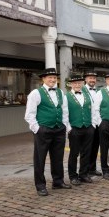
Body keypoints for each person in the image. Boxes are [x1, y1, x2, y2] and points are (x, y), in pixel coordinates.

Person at [24, 68, 71, 196]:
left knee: (58, 157)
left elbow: (65, 111)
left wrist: (65, 127)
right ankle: (40, 186)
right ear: (43, 79)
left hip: (59, 129)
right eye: (49, 77)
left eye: (54, 77)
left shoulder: (61, 92)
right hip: (43, 130)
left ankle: (58, 181)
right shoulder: (36, 93)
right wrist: (38, 129)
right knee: (40, 159)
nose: (52, 80)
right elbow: (29, 115)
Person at [66, 74, 95, 185]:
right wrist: (69, 129)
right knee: (74, 153)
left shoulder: (87, 96)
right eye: (75, 83)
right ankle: (73, 176)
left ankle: (84, 174)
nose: (77, 85)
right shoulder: (67, 96)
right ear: (71, 85)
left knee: (86, 153)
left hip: (88, 127)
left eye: (79, 83)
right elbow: (65, 114)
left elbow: (93, 111)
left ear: (83, 84)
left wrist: (92, 125)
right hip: (74, 128)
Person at [83, 71, 102, 177]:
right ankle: (84, 170)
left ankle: (92, 168)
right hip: (87, 123)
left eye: (94, 78)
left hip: (97, 123)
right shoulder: (81, 90)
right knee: (86, 148)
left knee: (95, 146)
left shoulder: (98, 91)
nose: (92, 80)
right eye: (90, 78)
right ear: (85, 79)